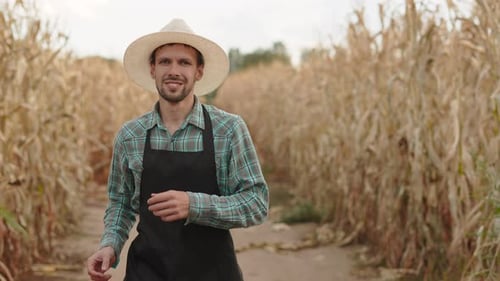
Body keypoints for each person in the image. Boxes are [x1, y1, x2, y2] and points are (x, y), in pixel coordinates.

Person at [86, 18, 269, 281]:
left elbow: (256, 202)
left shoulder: (228, 129)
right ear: (152, 69)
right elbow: (122, 203)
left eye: (184, 62)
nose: (174, 70)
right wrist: (109, 245)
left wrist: (194, 204)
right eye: (165, 61)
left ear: (199, 71)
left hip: (213, 273)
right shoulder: (130, 135)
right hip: (147, 271)